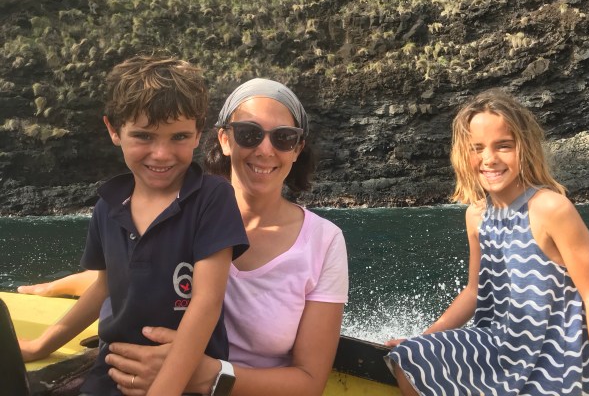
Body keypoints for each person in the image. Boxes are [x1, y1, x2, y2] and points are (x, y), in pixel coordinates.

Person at [20, 77, 349, 396]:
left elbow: (309, 381)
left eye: (284, 138)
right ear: (224, 139)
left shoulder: (323, 241)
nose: (265, 149)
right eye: (249, 134)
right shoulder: (180, 212)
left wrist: (208, 376)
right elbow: (122, 277)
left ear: (297, 148)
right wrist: (52, 294)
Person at [19, 56, 249, 396]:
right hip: (111, 373)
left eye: (179, 136)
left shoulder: (212, 198)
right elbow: (103, 286)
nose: (161, 154)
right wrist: (41, 345)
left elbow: (206, 302)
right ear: (114, 130)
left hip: (184, 381)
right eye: (143, 136)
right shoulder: (107, 207)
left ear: (198, 134)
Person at [385, 89, 589, 396]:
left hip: (556, 359)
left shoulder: (551, 209)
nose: (489, 159)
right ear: (463, 154)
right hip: (497, 348)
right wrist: (423, 338)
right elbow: (473, 292)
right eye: (477, 148)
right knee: (408, 358)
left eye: (504, 146)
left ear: (525, 147)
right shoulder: (476, 216)